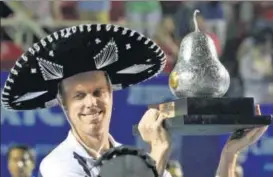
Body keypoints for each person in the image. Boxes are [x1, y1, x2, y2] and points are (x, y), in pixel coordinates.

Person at [1, 24, 269, 177]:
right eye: (79, 96)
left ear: (111, 93)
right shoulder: (58, 165)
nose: (91, 103)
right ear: (63, 104)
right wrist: (158, 152)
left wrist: (230, 153)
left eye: (98, 92)